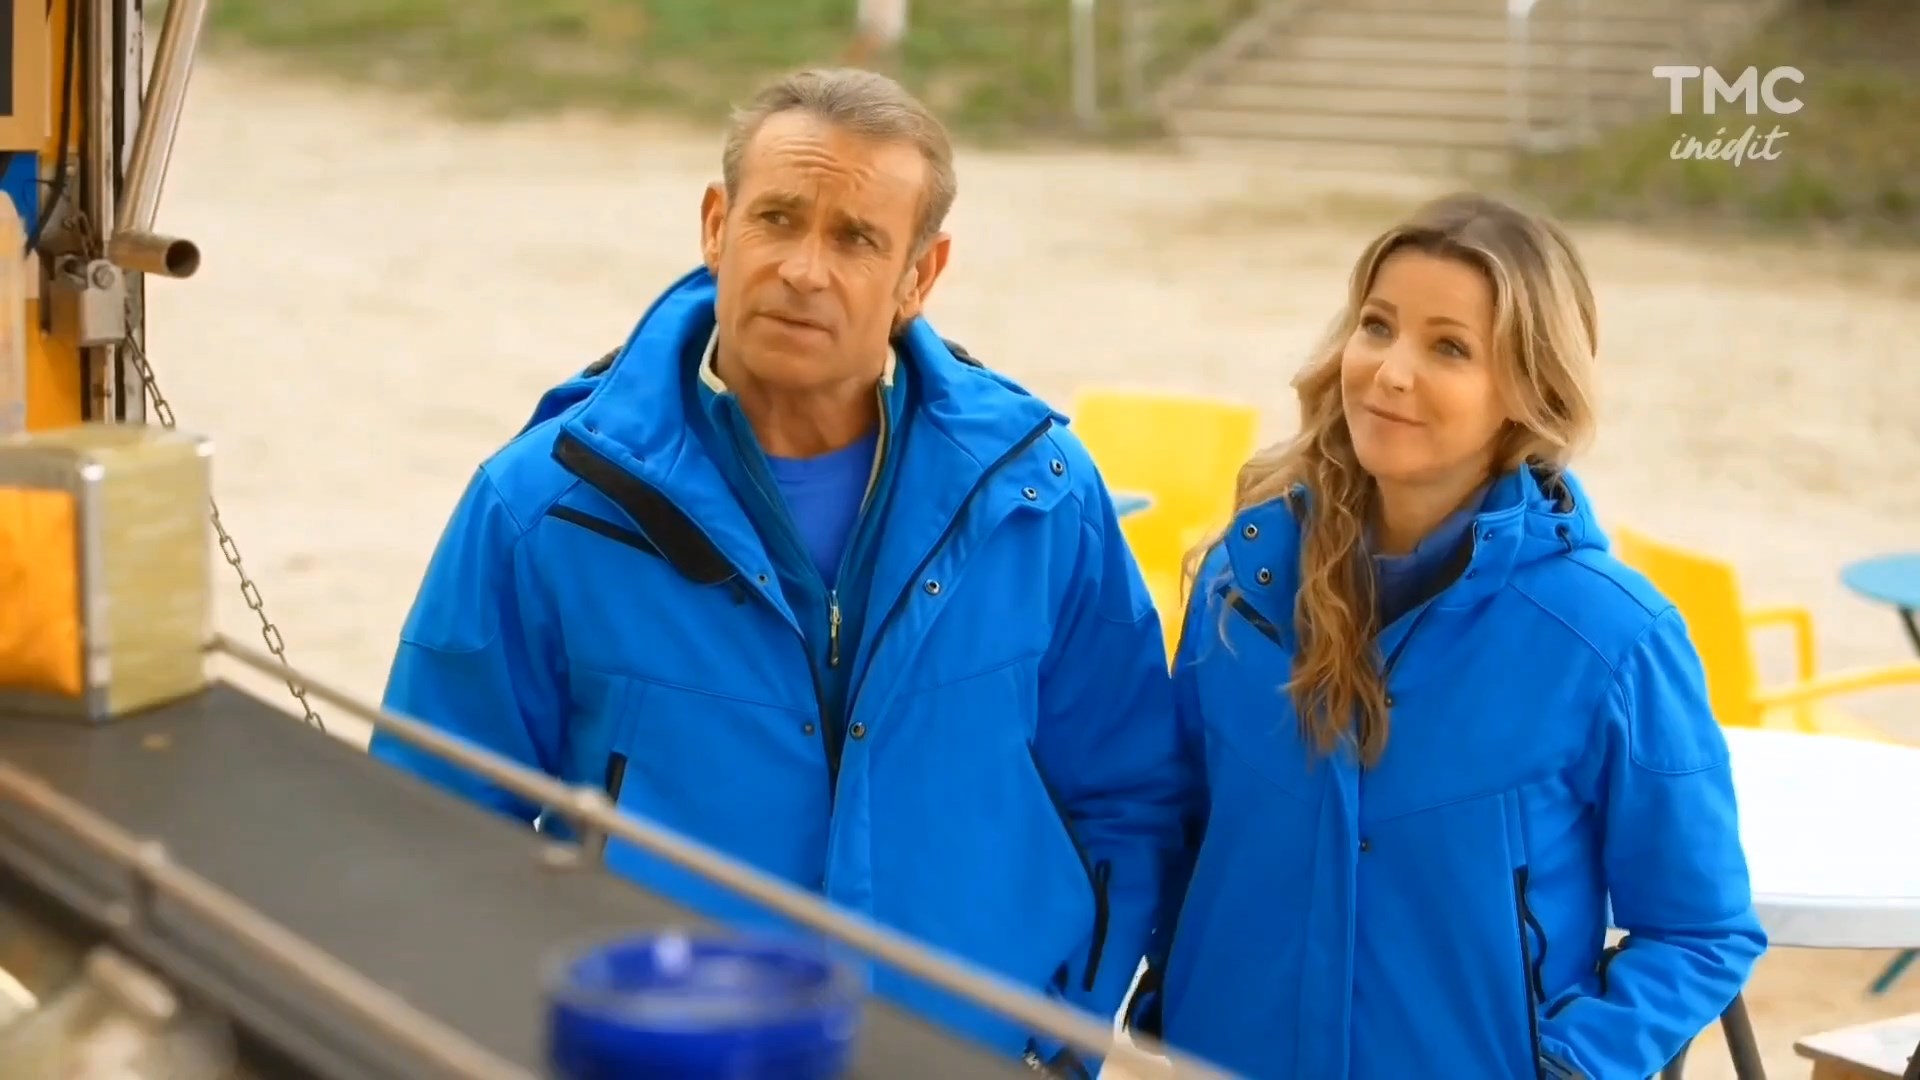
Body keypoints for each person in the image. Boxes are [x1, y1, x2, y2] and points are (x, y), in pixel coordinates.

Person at [369, 67, 1189, 1074]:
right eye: (779, 219)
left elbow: (1128, 798)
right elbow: (430, 822)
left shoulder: (1041, 497)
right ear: (717, 227)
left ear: (920, 277)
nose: (805, 269)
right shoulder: (547, 504)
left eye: (857, 239)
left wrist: (1057, 1044)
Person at [1132, 193, 1767, 1078]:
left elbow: (1700, 930)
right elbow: (1180, 830)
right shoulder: (1245, 590)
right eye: (1377, 326)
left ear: (1528, 390)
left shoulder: (1612, 640)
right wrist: (1172, 997)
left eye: (1449, 348)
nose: (1391, 371)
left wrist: (1567, 1066)